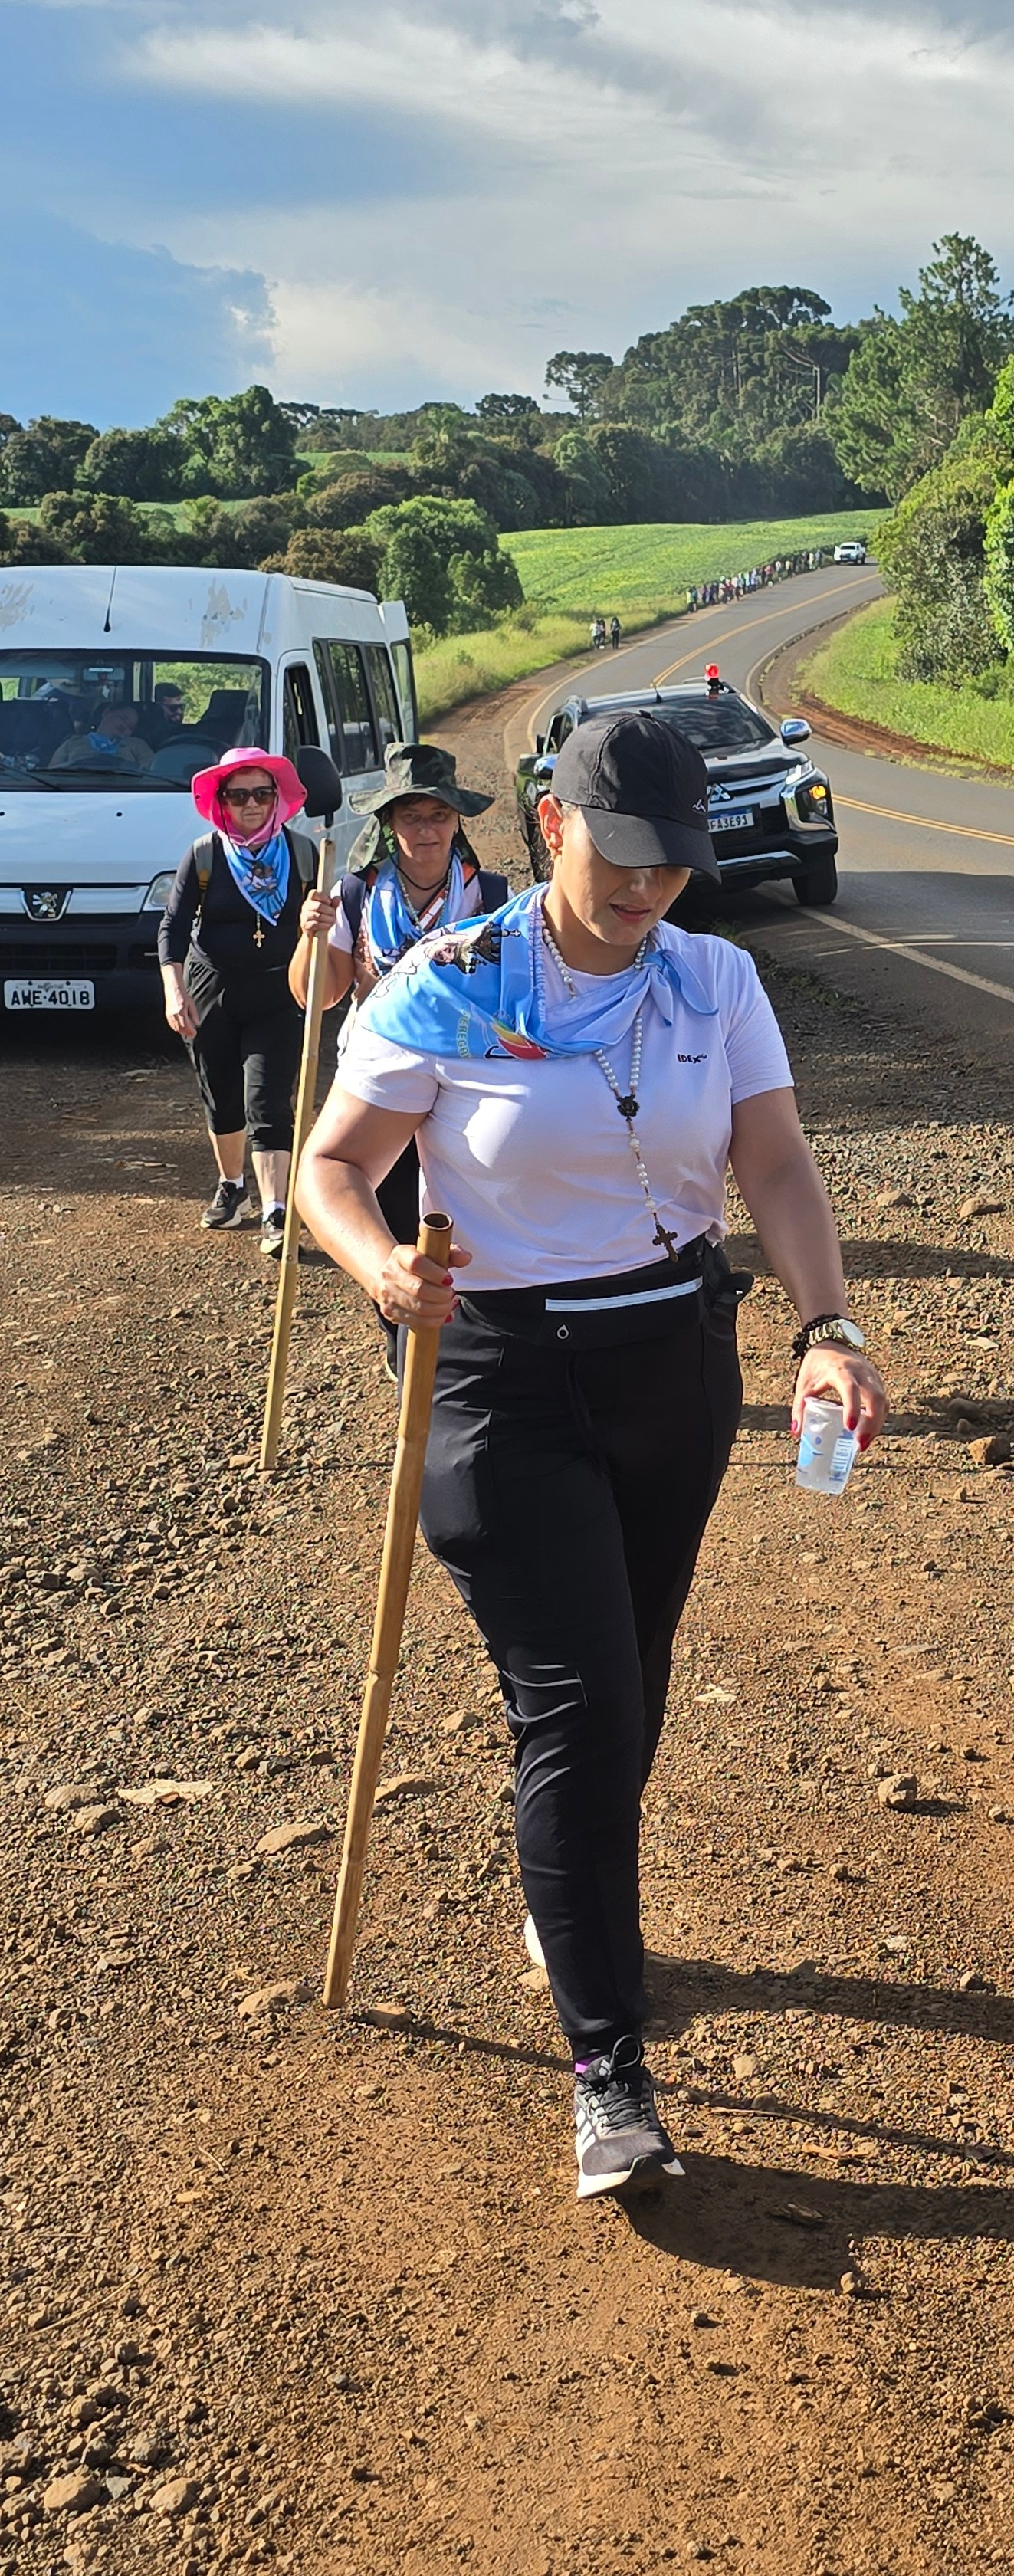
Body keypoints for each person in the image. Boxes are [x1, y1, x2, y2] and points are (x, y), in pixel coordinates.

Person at [298, 712, 886, 2198]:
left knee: (633, 1674)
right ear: (554, 827)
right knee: (575, 1702)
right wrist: (376, 1266)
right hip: (496, 1373)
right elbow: (332, 1165)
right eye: (620, 858)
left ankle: (574, 1898)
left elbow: (771, 1160)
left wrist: (830, 1325)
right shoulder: (455, 981)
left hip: (673, 1360)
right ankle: (607, 2066)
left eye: (672, 866)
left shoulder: (716, 976)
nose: (646, 892)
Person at [289, 740, 507, 1250]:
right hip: (380, 1079)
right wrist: (309, 937)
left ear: (457, 820)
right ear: (389, 823)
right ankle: (396, 1324)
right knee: (388, 1220)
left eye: (439, 814)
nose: (426, 830)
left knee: (459, 1219)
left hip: (464, 1080)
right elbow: (316, 997)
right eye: (411, 816)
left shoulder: (492, 899)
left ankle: (454, 1322)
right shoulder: (355, 895)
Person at [158, 749, 317, 1258]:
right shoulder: (205, 854)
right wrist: (174, 990)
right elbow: (174, 928)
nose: (251, 804)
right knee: (221, 1095)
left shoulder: (304, 855)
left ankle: (276, 1212)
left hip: (278, 991)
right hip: (211, 990)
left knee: (268, 1101)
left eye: (262, 793)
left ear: (278, 799)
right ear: (222, 801)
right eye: (239, 795)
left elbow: (325, 931)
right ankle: (233, 1186)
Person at [50, 697, 153, 773]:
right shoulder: (72, 742)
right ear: (106, 713)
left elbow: (151, 775)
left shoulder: (138, 744)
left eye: (130, 727)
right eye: (123, 718)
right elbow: (51, 774)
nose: (124, 727)